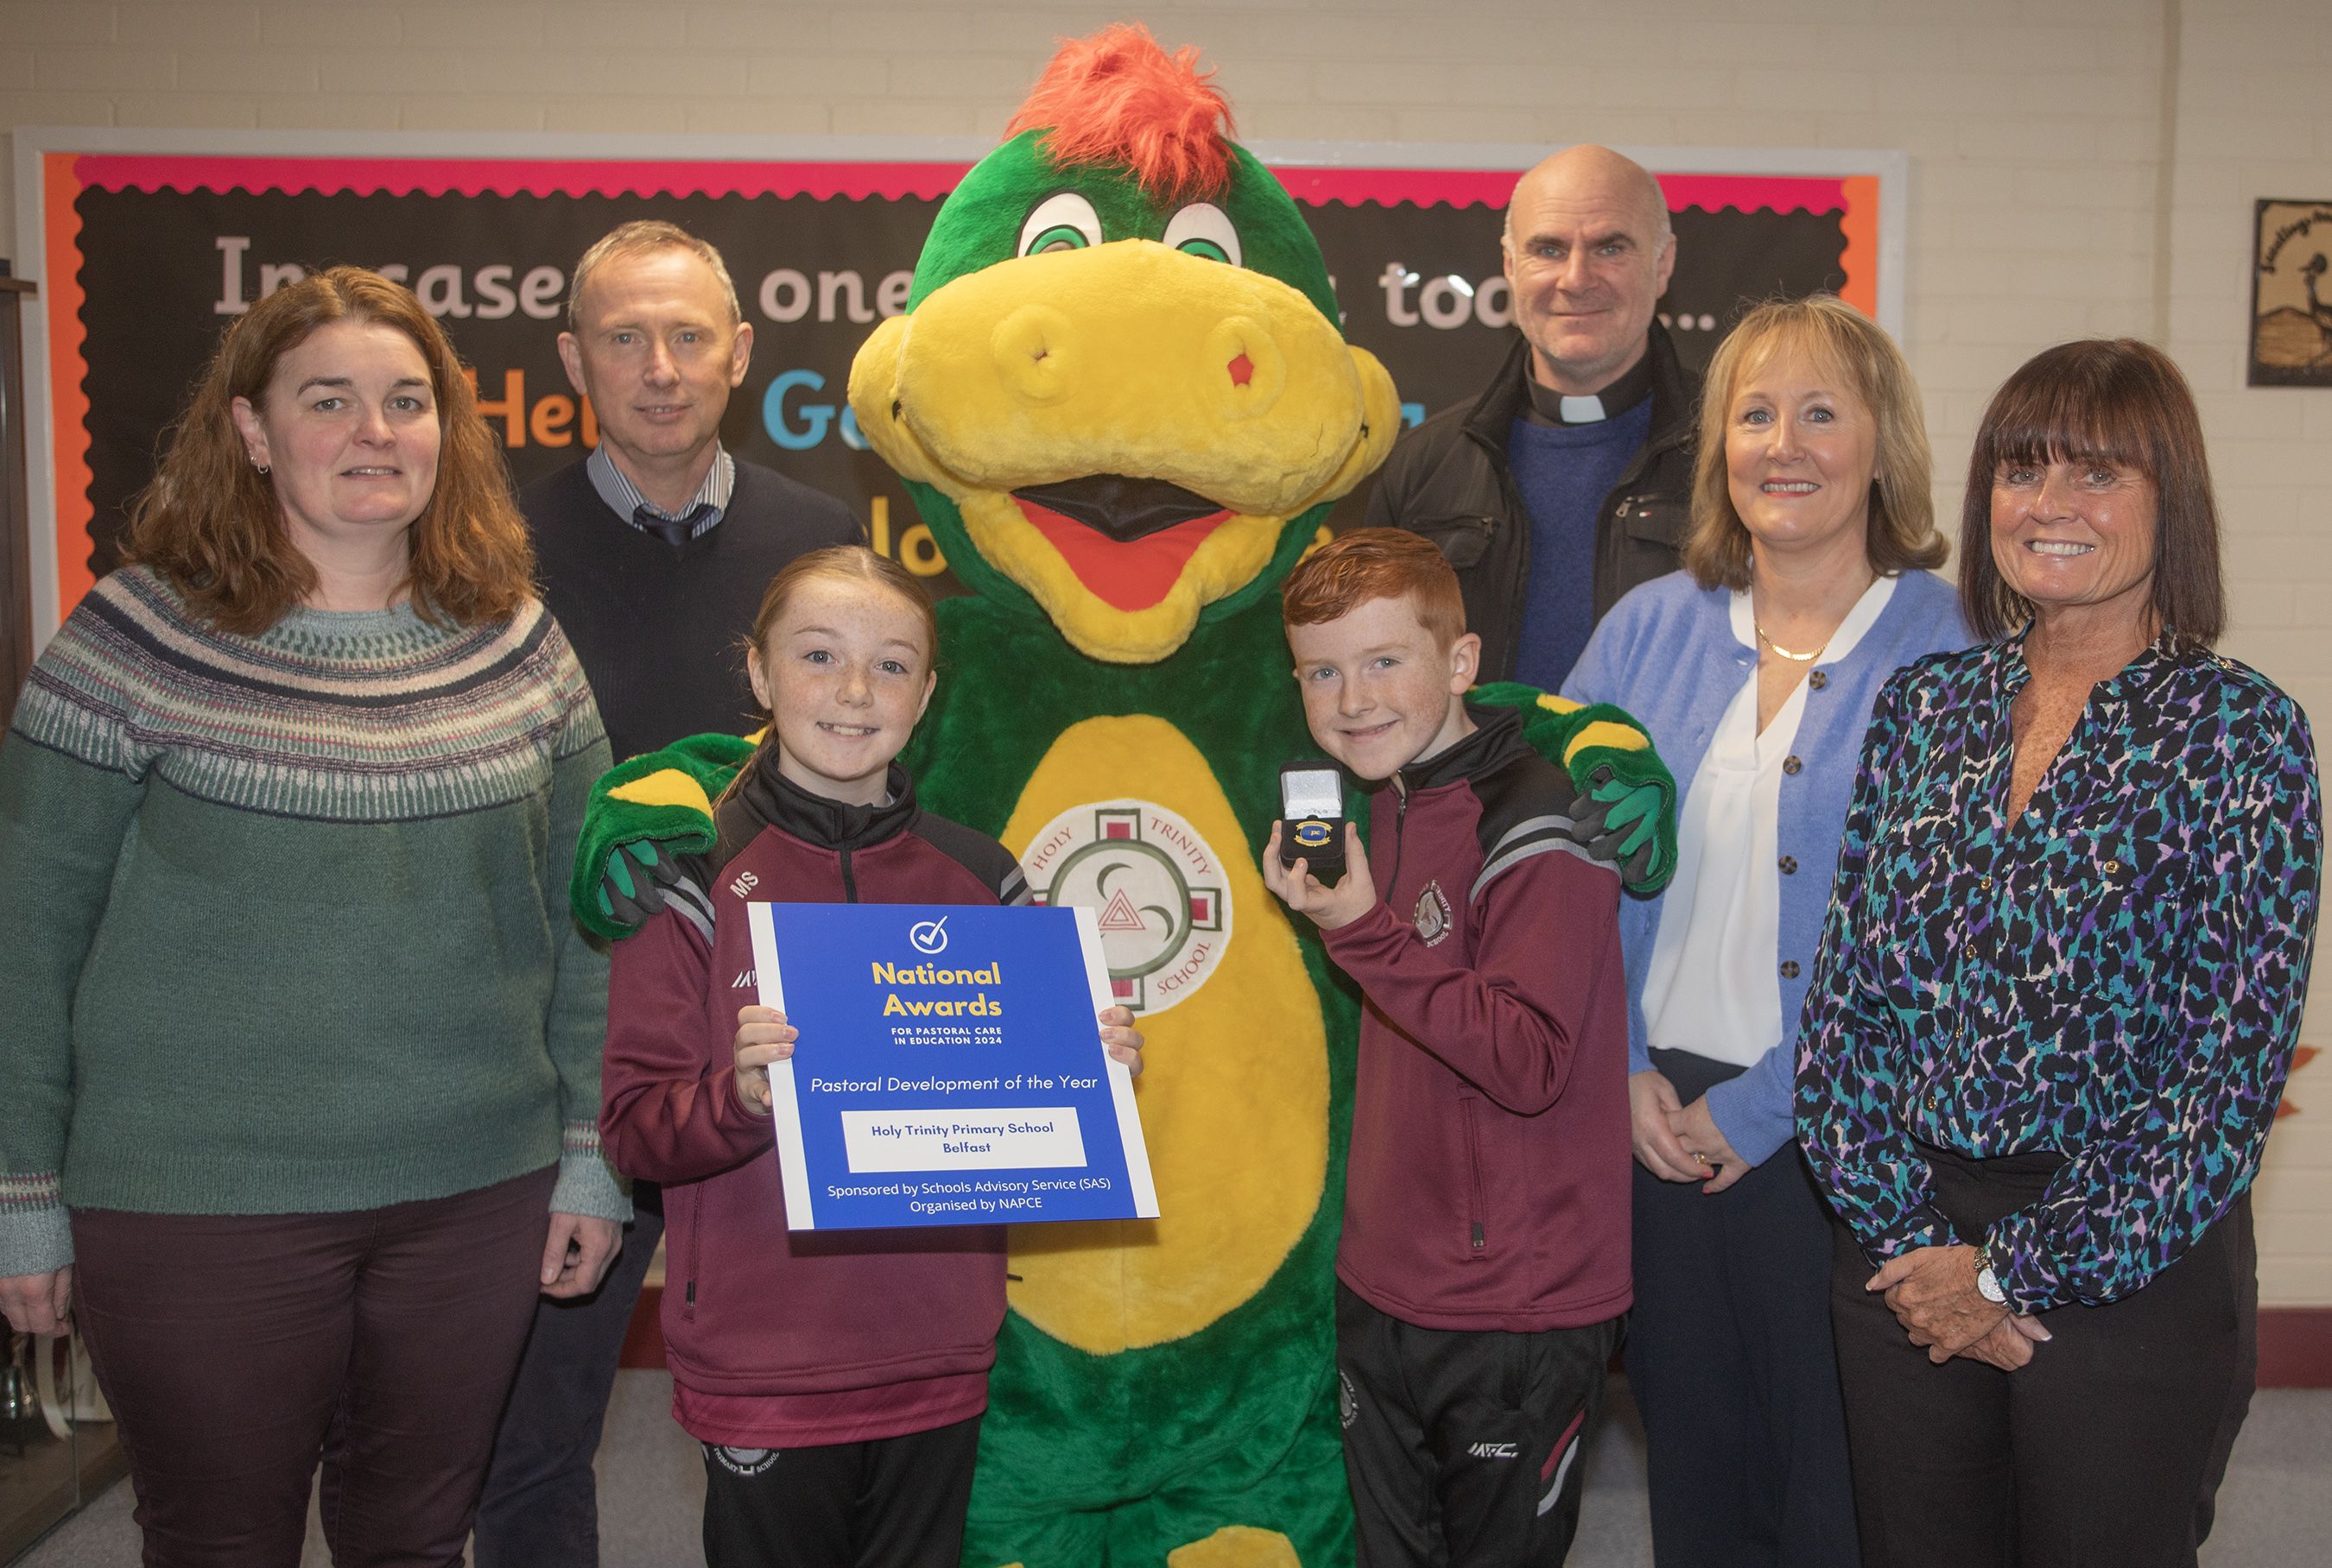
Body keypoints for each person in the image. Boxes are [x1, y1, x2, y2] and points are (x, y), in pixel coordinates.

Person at [0, 267, 624, 1564]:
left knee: (415, 1535)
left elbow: (589, 930)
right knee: (219, 1538)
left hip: (475, 1192)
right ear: (249, 428)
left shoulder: (519, 644)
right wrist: (24, 1194)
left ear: (447, 430)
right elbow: (26, 934)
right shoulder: (133, 640)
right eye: (327, 399)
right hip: (196, 1204)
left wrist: (591, 1152)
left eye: (406, 401)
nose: (372, 432)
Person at [1797, 338, 2321, 1568]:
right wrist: (1919, 1246)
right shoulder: (1927, 707)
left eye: (2099, 475)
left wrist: (2014, 1270)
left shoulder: (2243, 734)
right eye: (2024, 470)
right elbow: (1846, 1015)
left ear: (2169, 501)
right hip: (1904, 1246)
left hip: (2134, 1252)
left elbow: (2224, 1078)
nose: (2051, 506)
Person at [596, 545, 1144, 1568]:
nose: (854, 691)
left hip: (937, 1349)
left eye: (892, 665)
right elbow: (634, 1126)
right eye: (818, 655)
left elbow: (1022, 1125)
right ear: (758, 674)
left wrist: (1088, 1071)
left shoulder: (986, 876)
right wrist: (744, 1096)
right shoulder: (689, 865)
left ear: (928, 693)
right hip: (766, 1362)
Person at [1562, 295, 1968, 1566]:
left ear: (1882, 446)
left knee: (1835, 1490)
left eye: (1819, 412)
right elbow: (1560, 870)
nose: (1782, 444)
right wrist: (1620, 1064)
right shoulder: (1647, 630)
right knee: (1696, 1470)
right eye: (1753, 414)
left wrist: (1770, 1107)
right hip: (1655, 1119)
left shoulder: (1953, 649)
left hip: (1846, 1133)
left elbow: (1943, 936)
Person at [479, 219, 859, 1566]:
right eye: (626, 337)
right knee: (536, 1424)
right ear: (575, 356)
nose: (660, 366)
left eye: (689, 335)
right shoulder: (490, 543)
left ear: (740, 354)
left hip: (771, 1037)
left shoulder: (822, 537)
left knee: (796, 1410)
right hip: (570, 1035)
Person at [1264, 528, 1630, 1566]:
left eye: (1385, 661)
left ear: (1459, 662)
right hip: (1384, 1284)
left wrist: (1361, 930)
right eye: (1321, 672)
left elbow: (1527, 1057)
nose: (1352, 698)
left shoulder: (1539, 818)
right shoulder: (1373, 810)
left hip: (1515, 1306)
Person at [1368, 143, 1696, 689]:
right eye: (1548, 249)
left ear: (1663, 265)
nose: (1576, 278)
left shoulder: (1738, 457)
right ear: (1510, 266)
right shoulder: (1424, 467)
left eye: (1610, 247)